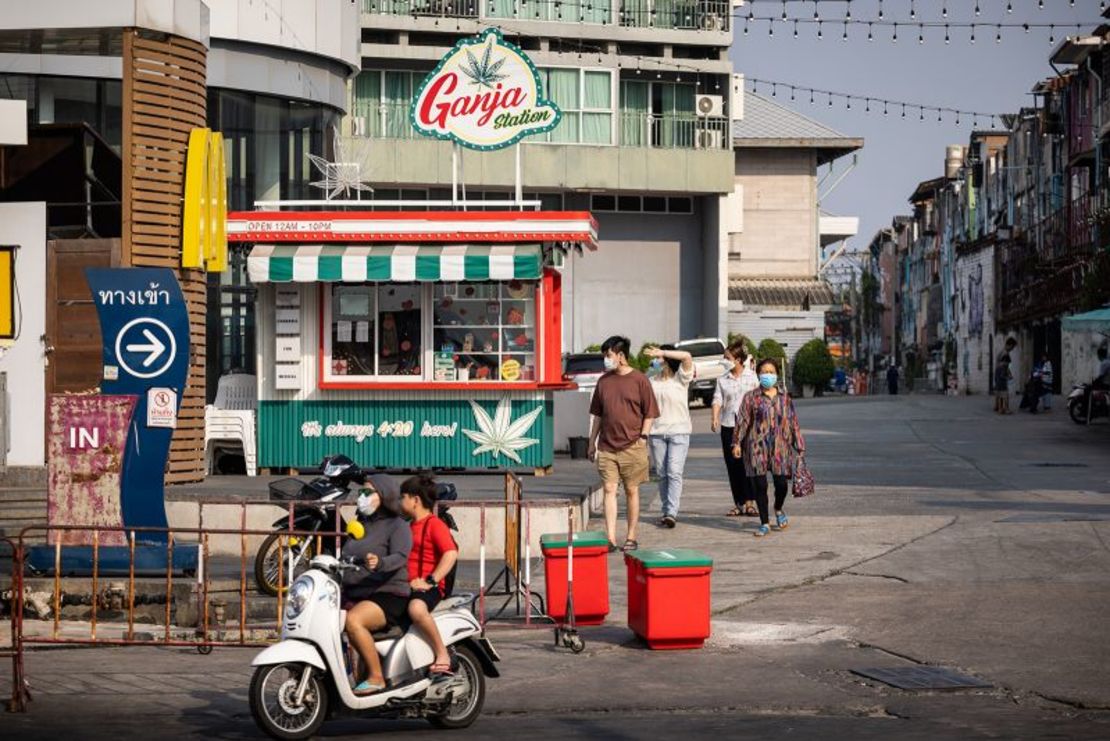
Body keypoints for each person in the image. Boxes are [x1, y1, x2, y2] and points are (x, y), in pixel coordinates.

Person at [588, 335, 660, 552]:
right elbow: (598, 416)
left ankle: (631, 536)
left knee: (631, 490)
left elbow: (650, 413)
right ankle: (610, 538)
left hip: (633, 446)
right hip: (607, 447)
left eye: (608, 355)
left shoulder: (640, 380)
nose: (606, 360)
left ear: (621, 356)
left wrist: (643, 437)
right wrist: (592, 442)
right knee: (609, 489)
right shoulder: (604, 381)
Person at [342, 474, 412, 695]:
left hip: (387, 593)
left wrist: (380, 562)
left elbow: (401, 556)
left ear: (383, 495)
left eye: (367, 492)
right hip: (357, 591)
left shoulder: (397, 525)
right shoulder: (359, 525)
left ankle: (376, 677)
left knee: (353, 621)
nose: (361, 497)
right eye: (360, 492)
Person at [733, 358, 806, 538]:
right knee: (760, 485)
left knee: (781, 484)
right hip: (756, 446)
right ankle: (764, 522)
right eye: (764, 371)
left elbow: (793, 422)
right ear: (758, 374)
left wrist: (799, 444)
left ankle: (778, 508)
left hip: (781, 447)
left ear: (776, 374)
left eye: (771, 372)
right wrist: (736, 442)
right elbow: (743, 421)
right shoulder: (751, 397)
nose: (768, 375)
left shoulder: (785, 398)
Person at [400, 474, 459, 679]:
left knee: (416, 608)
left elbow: (450, 553)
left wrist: (430, 581)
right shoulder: (407, 526)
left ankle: (442, 653)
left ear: (415, 500)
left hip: (429, 589)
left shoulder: (434, 524)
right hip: (406, 586)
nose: (400, 501)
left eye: (403, 497)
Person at [644, 344, 694, 529]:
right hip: (656, 433)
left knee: (674, 471)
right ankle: (666, 512)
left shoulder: (681, 378)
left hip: (679, 432)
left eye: (659, 359)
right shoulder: (651, 381)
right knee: (662, 474)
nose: (656, 361)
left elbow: (687, 356)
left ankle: (672, 512)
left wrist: (663, 352)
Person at [711, 339, 759, 517]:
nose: (724, 360)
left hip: (749, 428)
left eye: (727, 357)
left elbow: (758, 400)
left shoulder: (752, 377)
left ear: (738, 359)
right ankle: (738, 503)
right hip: (728, 426)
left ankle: (750, 502)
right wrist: (714, 417)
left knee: (748, 465)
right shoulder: (723, 379)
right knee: (733, 466)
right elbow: (718, 399)